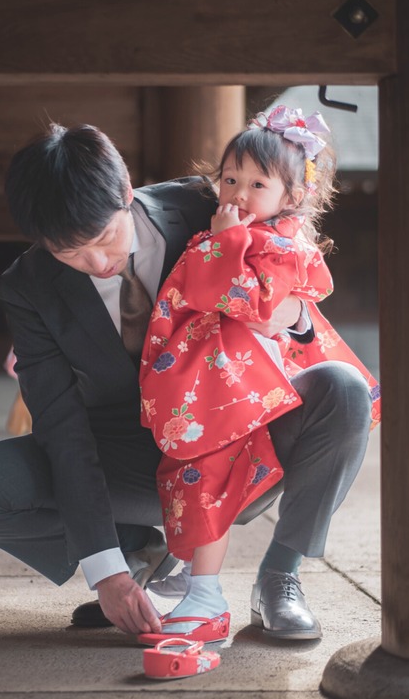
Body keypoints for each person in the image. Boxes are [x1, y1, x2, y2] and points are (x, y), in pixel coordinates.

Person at [0, 118, 373, 640]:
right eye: (68, 252)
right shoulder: (27, 287)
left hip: (242, 428)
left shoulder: (207, 205)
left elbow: (292, 269)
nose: (95, 262)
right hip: (129, 454)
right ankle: (141, 550)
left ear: (125, 193)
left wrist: (294, 313)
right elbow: (60, 426)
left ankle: (280, 576)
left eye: (103, 237)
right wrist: (107, 571)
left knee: (344, 388)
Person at [134, 107, 380, 644]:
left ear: (293, 197)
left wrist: (272, 295)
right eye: (229, 179)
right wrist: (224, 246)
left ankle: (279, 576)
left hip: (278, 396)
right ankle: (196, 582)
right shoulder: (214, 236)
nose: (238, 193)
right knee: (206, 462)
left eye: (257, 183)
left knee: (345, 391)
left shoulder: (286, 246)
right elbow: (202, 296)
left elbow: (249, 302)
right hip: (218, 391)